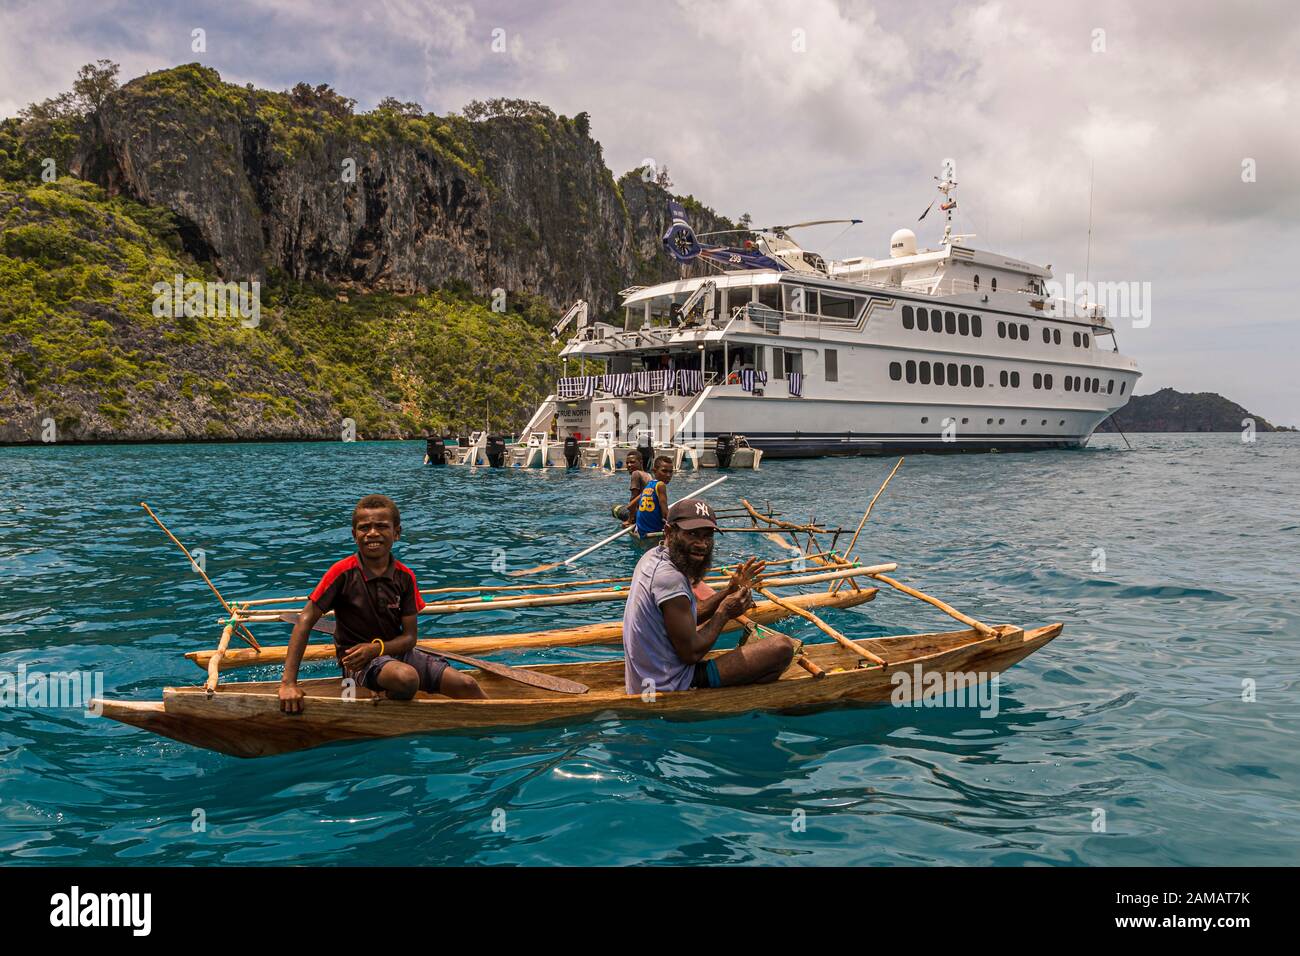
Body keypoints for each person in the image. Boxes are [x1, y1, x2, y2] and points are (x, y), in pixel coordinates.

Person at [278, 494, 486, 713]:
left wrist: (377, 649)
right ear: (354, 535)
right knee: (406, 678)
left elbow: (409, 638)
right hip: (356, 662)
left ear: (396, 533)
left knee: (467, 685)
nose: (372, 533)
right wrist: (288, 684)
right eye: (364, 528)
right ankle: (386, 702)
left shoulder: (405, 577)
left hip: (394, 653)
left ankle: (494, 725)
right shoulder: (342, 573)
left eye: (381, 526)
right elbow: (305, 620)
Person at [622, 499, 795, 694]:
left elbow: (687, 618)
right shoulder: (670, 579)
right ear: (669, 531)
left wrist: (729, 591)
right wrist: (724, 613)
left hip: (648, 678)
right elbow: (691, 654)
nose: (702, 544)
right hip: (669, 684)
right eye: (692, 534)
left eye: (707, 536)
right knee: (782, 648)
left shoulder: (653, 556)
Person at [633, 455, 674, 539]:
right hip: (653, 531)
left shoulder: (649, 485)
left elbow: (631, 505)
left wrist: (629, 520)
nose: (668, 475)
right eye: (664, 471)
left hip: (641, 531)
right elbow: (665, 515)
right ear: (654, 471)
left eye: (671, 472)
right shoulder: (661, 485)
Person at [611, 450, 652, 524]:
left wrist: (629, 520)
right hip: (650, 514)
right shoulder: (648, 475)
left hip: (640, 516)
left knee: (615, 508)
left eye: (632, 462)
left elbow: (633, 498)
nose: (629, 465)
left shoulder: (635, 473)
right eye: (627, 463)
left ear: (641, 462)